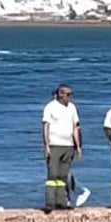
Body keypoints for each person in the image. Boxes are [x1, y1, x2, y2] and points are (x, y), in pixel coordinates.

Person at [41, 84, 82, 212]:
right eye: (68, 94)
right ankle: (50, 202)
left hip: (68, 145)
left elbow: (75, 127)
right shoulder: (50, 107)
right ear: (60, 94)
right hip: (54, 144)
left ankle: (62, 201)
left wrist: (78, 146)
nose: (70, 97)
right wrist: (46, 145)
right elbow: (45, 126)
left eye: (71, 94)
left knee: (63, 175)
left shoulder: (72, 108)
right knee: (53, 175)